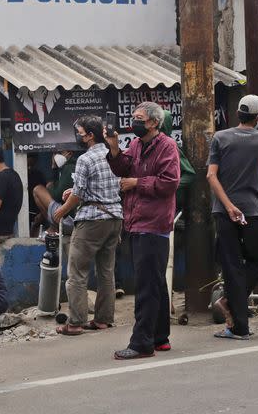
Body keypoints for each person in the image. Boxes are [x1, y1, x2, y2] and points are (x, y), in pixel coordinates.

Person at [206, 95, 258, 340]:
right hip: (251, 211)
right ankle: (233, 308)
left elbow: (211, 176)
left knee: (231, 266)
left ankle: (237, 321)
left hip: (223, 211)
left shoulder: (220, 137)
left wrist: (228, 206)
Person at [106, 102, 180, 359]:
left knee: (146, 285)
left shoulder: (167, 146)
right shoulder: (137, 145)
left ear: (153, 123)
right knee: (156, 283)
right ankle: (160, 337)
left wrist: (137, 183)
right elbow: (122, 166)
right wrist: (114, 147)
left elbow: (170, 183)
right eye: (134, 117)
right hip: (136, 221)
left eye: (139, 118)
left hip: (154, 223)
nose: (134, 122)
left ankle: (141, 343)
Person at [53, 116, 122, 336]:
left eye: (80, 133)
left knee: (77, 272)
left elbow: (79, 195)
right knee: (106, 272)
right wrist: (73, 192)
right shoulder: (114, 155)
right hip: (115, 218)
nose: (78, 137)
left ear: (90, 136)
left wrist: (61, 211)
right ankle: (103, 319)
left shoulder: (85, 159)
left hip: (92, 220)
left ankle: (75, 322)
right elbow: (91, 188)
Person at [32, 149, 78, 233]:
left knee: (38, 189)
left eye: (59, 153)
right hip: (68, 216)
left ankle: (53, 228)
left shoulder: (70, 168)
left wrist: (49, 187)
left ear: (69, 153)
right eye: (54, 153)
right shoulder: (64, 168)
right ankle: (53, 228)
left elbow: (57, 195)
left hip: (69, 218)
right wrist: (54, 168)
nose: (55, 156)